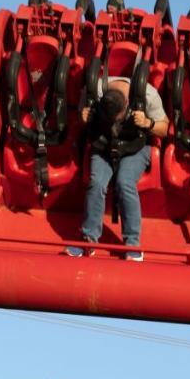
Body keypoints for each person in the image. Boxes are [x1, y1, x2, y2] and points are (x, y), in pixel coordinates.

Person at [66, 75, 168, 260]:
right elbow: (81, 118)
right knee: (96, 183)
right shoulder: (93, 91)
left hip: (135, 146)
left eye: (118, 120)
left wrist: (148, 123)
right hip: (103, 144)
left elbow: (165, 128)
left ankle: (132, 243)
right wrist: (83, 117)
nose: (115, 124)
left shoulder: (148, 94)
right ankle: (89, 238)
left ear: (128, 103)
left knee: (125, 183)